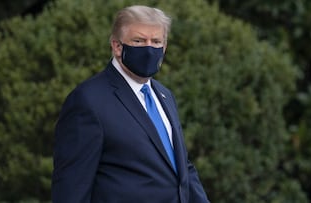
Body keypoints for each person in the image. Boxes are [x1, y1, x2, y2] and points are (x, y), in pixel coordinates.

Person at [51, 5, 210, 203]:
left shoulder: (164, 95)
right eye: (139, 41)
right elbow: (71, 187)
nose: (149, 48)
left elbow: (181, 167)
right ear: (117, 46)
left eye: (156, 41)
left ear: (165, 46)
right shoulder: (88, 101)